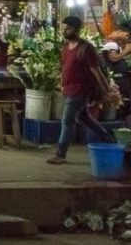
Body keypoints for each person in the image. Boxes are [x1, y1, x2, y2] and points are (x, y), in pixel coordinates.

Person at [48, 17, 116, 164]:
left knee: (67, 120)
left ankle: (60, 154)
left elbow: (97, 72)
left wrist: (107, 91)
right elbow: (64, 68)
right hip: (68, 89)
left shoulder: (86, 48)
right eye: (64, 28)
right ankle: (108, 137)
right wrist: (62, 84)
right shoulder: (65, 47)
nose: (65, 31)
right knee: (83, 117)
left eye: (69, 28)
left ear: (77, 30)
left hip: (81, 90)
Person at [101, 41, 131, 114]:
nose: (113, 54)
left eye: (114, 51)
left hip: (124, 89)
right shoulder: (102, 61)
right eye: (111, 52)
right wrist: (126, 50)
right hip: (112, 90)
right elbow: (114, 58)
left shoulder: (124, 60)